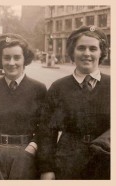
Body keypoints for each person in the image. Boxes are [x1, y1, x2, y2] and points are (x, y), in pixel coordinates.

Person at [38, 25, 110, 180]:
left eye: (93, 48)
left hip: (106, 163)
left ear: (101, 52)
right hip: (68, 162)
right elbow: (46, 132)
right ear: (72, 52)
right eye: (81, 48)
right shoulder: (59, 87)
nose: (87, 54)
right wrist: (47, 169)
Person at [0, 33, 47, 179]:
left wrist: (32, 148)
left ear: (25, 59)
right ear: (0, 60)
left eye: (17, 57)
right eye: (7, 57)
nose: (11, 62)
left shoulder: (38, 88)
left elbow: (45, 126)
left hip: (24, 154)